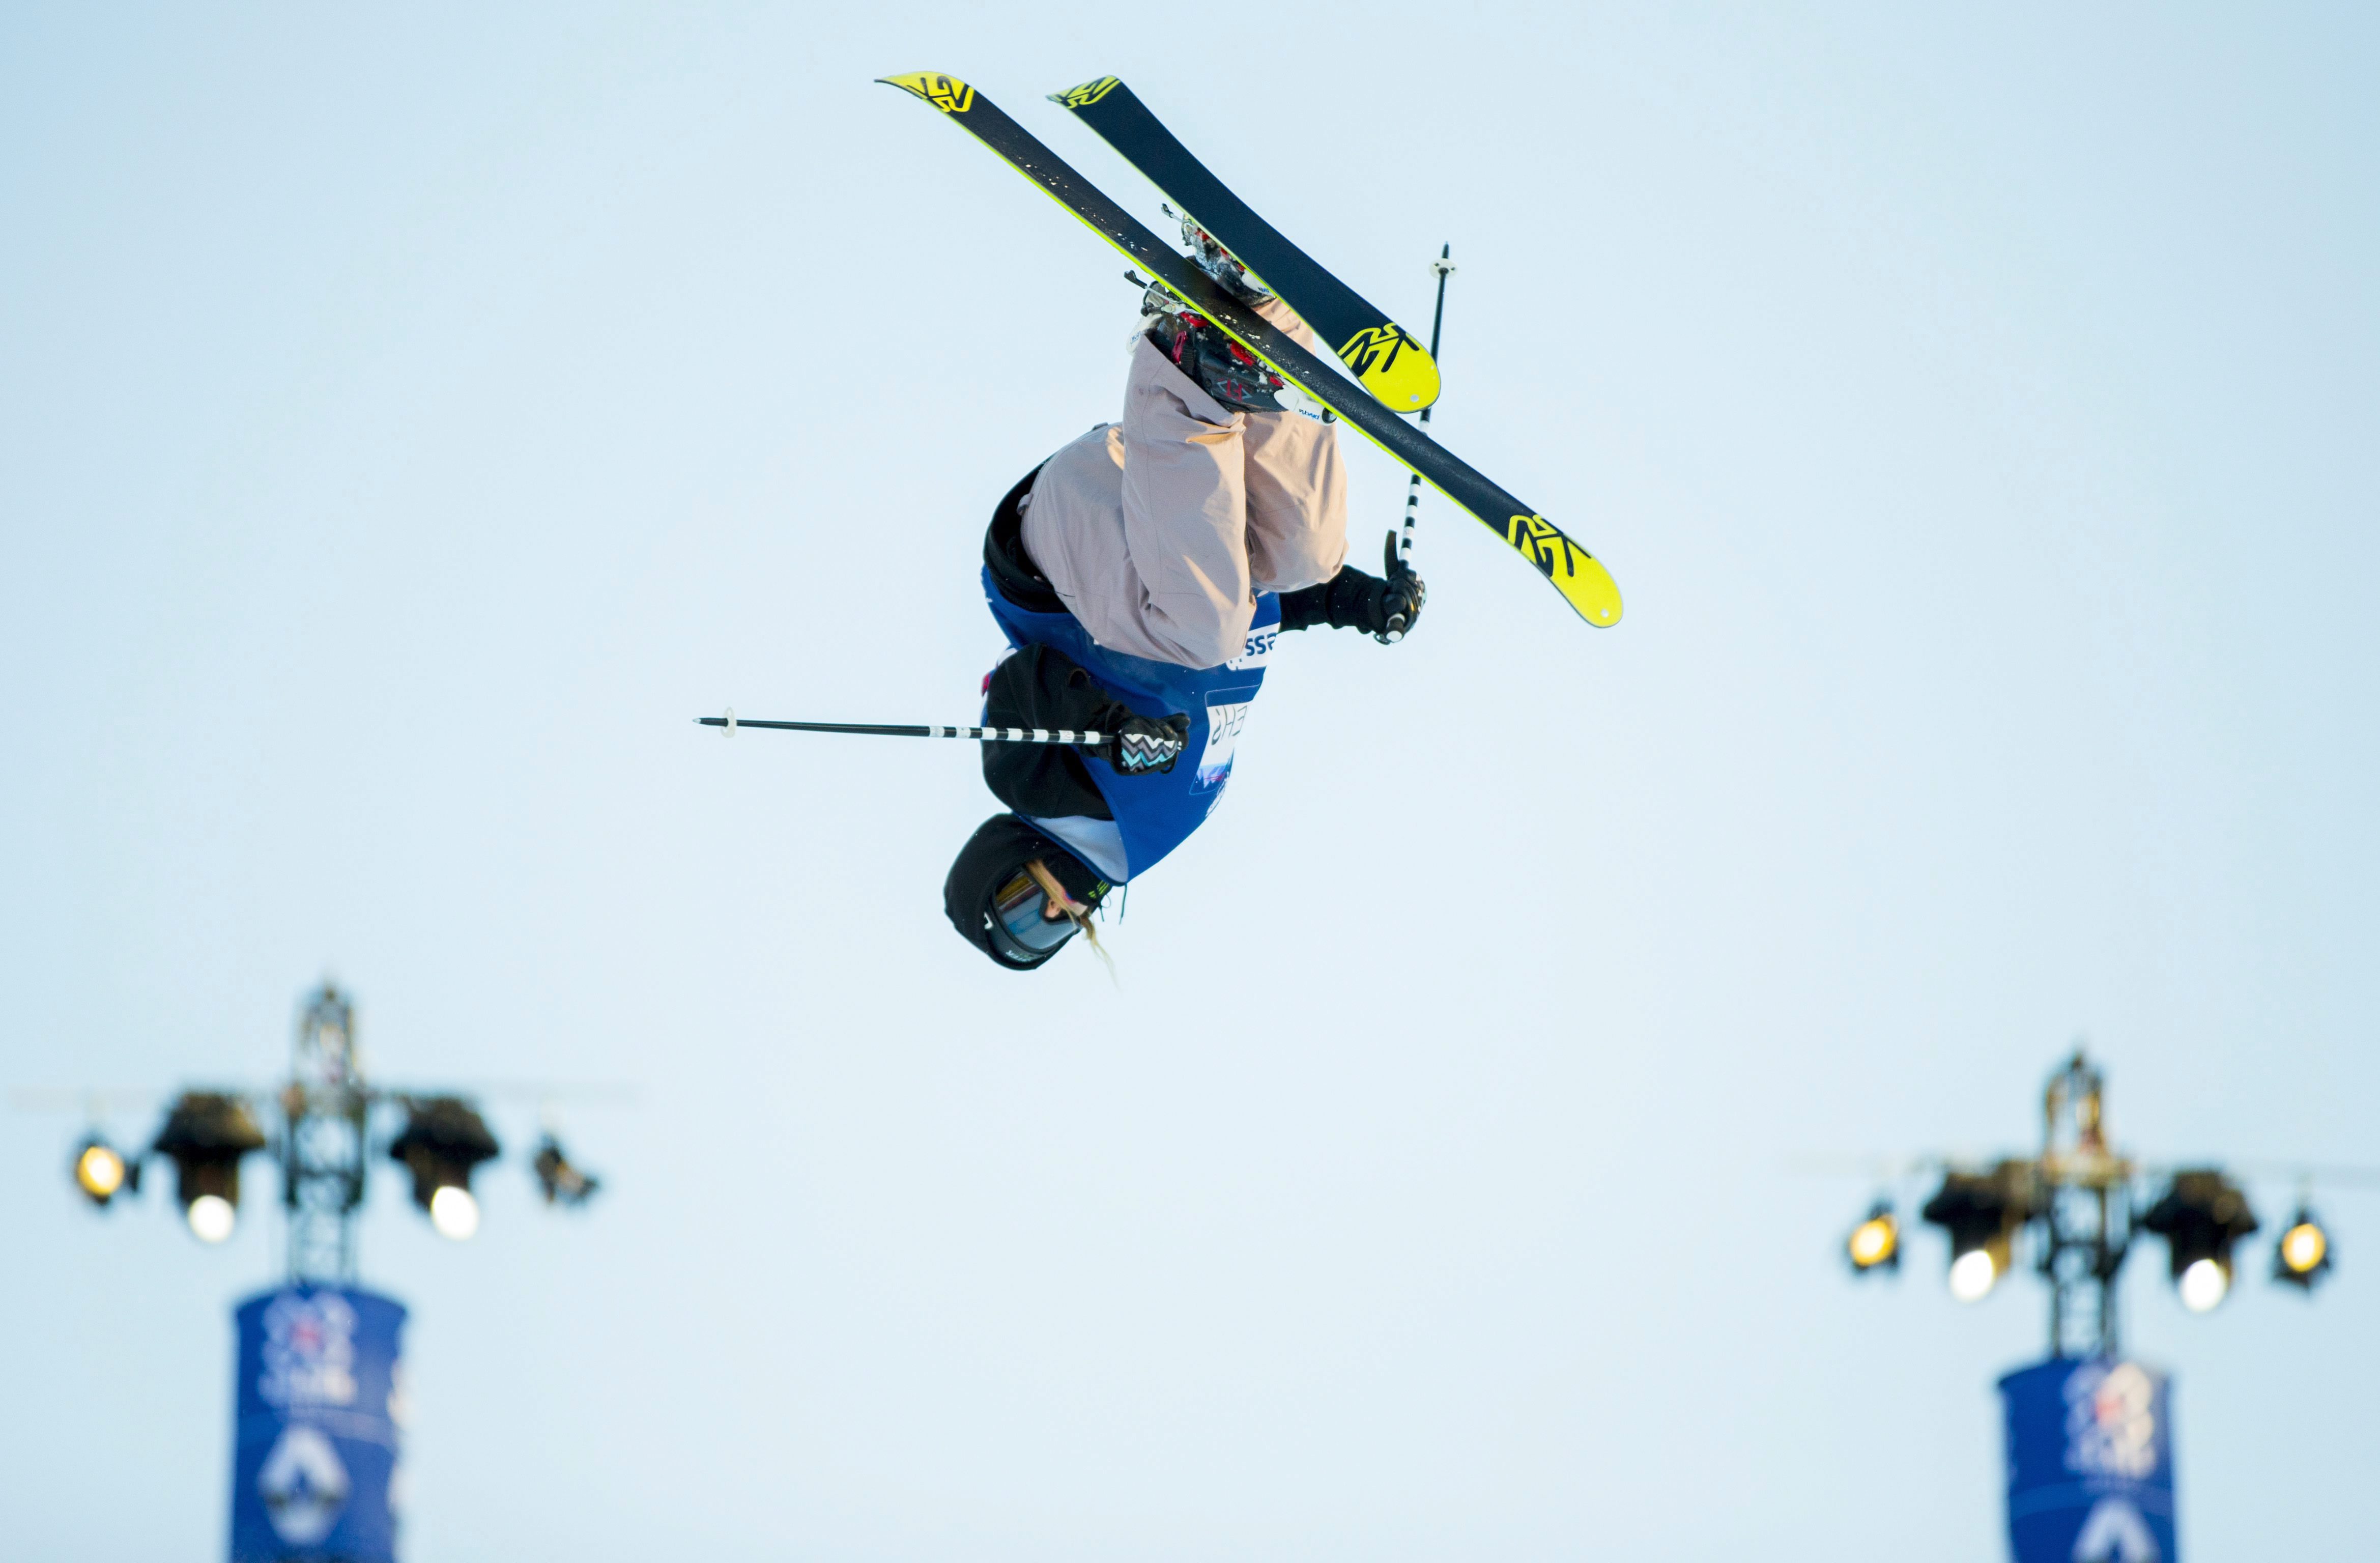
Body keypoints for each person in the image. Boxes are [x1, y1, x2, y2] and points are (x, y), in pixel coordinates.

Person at [946, 238, 1427, 971]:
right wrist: (1353, 601)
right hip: (1146, 539)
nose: (1051, 910)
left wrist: (1110, 728)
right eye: (1045, 933)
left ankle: (1181, 366)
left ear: (1000, 860)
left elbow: (1028, 688)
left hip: (1053, 559)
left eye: (1016, 904)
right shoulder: (1156, 829)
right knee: (1299, 557)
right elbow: (1224, 640)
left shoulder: (1027, 785)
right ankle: (1257, 319)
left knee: (1205, 627)